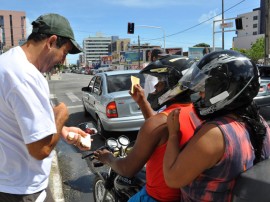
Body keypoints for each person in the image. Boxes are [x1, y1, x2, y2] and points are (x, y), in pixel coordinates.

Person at [0, 13, 92, 202]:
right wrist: (61, 116)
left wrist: (63, 130)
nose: (62, 61)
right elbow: (40, 150)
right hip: (22, 188)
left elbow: (21, 118)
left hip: (9, 179)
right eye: (64, 53)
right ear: (51, 42)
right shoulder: (25, 77)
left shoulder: (8, 62)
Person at [163, 50, 270, 201]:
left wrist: (173, 134)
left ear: (226, 90)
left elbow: (172, 179)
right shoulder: (259, 121)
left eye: (206, 87)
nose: (201, 94)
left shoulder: (215, 134)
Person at [94, 55, 201, 202]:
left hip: (158, 197)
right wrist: (142, 101)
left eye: (161, 82)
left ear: (176, 85)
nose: (155, 86)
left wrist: (107, 157)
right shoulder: (195, 112)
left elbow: (127, 169)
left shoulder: (160, 122)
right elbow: (158, 130)